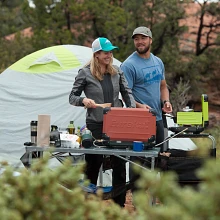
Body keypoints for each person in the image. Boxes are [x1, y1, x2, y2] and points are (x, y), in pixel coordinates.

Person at [69, 37, 136, 207]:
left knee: (119, 162)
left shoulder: (117, 71)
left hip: (116, 123)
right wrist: (83, 101)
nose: (109, 55)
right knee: (94, 162)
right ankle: (87, 204)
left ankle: (118, 205)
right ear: (96, 54)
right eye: (106, 52)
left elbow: (127, 93)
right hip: (95, 124)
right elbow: (72, 97)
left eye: (111, 52)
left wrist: (132, 110)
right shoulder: (84, 73)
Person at [121, 26, 172, 152]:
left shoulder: (158, 61)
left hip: (158, 118)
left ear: (150, 40)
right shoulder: (128, 65)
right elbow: (125, 95)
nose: (140, 41)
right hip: (139, 121)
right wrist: (140, 107)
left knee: (160, 159)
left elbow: (163, 86)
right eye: (136, 39)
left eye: (143, 38)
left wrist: (166, 101)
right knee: (139, 163)